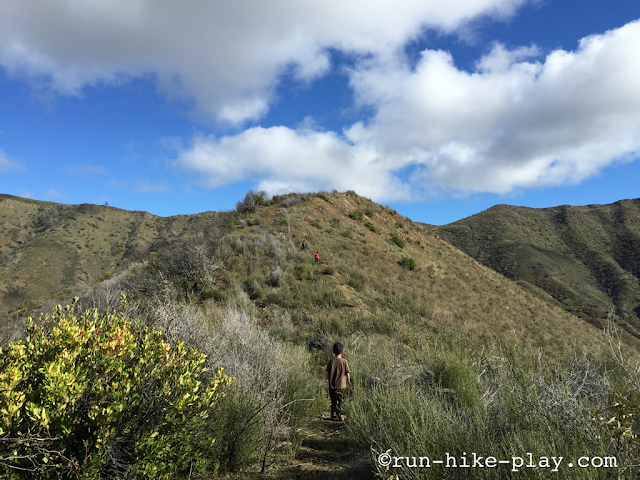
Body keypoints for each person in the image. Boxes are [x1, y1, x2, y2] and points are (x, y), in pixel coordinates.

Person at [326, 342, 350, 421]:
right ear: (342, 351)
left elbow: (329, 374)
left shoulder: (331, 361)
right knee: (341, 400)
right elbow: (347, 373)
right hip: (342, 386)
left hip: (332, 385)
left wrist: (329, 382)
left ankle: (333, 413)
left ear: (333, 351)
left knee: (333, 400)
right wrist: (348, 382)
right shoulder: (344, 362)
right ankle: (341, 414)